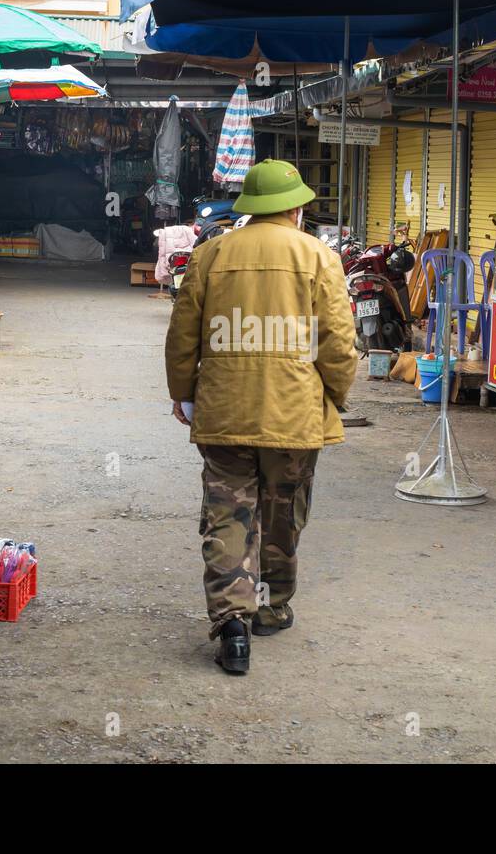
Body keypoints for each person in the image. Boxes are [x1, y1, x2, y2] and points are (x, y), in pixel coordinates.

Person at [165, 159, 357, 675]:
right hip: (294, 415)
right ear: (296, 207)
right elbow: (337, 342)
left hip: (224, 409)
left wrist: (183, 394)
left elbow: (183, 335)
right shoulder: (319, 256)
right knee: (282, 512)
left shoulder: (211, 254)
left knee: (229, 513)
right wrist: (335, 395)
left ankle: (232, 622)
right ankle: (271, 606)